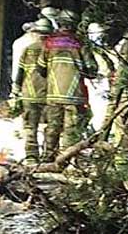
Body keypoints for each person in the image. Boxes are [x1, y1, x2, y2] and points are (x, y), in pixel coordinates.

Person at [40, 11, 94, 161]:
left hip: (53, 94)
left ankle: (48, 157)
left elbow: (41, 68)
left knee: (53, 127)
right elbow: (91, 69)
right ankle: (67, 159)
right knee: (71, 129)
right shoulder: (80, 43)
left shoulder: (49, 43)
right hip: (74, 95)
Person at [13, 18, 53, 162]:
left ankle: (31, 156)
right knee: (51, 126)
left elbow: (20, 72)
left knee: (30, 127)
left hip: (29, 93)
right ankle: (49, 155)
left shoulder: (28, 49)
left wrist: (16, 90)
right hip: (49, 94)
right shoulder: (54, 50)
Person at [85, 22, 121, 133]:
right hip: (95, 85)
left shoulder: (108, 52)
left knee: (107, 109)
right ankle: (96, 131)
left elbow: (116, 66)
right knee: (99, 109)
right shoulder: (87, 52)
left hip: (108, 85)